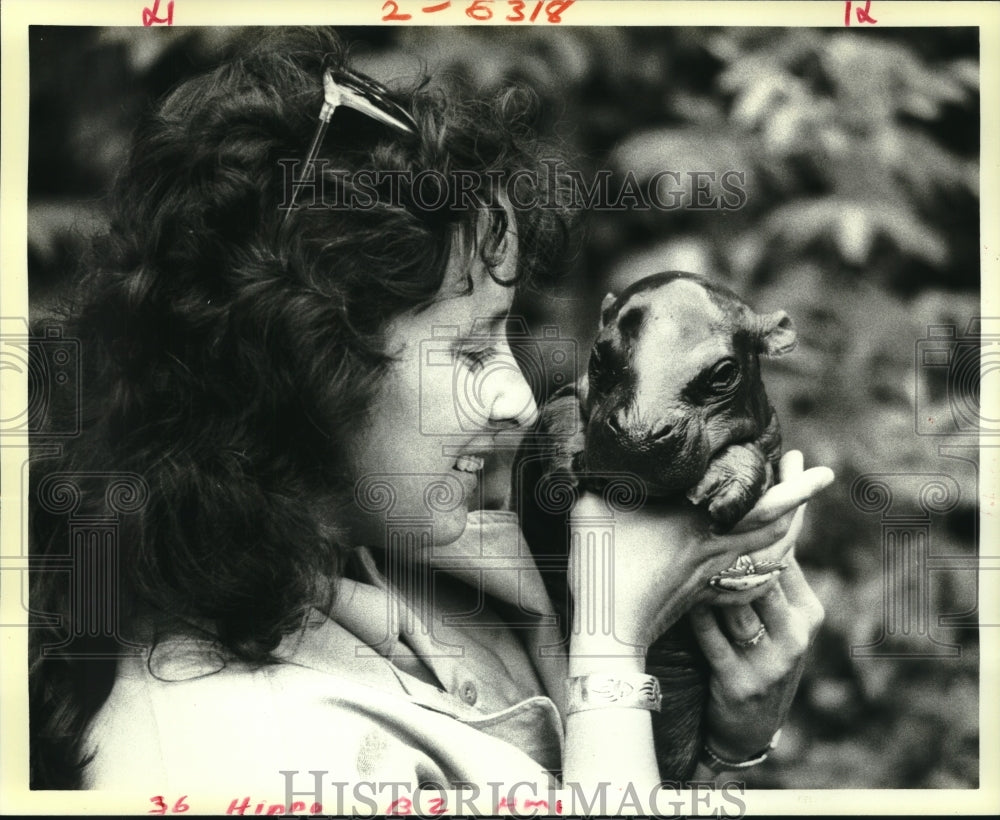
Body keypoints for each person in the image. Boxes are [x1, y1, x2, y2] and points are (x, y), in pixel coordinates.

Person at [28, 27, 833, 805]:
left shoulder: (412, 559)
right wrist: (611, 653)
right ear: (305, 371)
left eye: (508, 333)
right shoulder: (226, 754)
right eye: (473, 350)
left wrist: (725, 745)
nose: (520, 400)